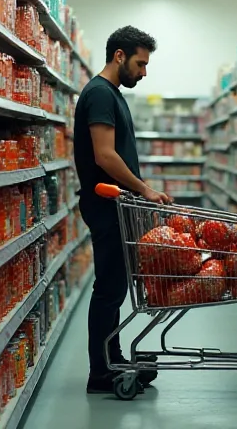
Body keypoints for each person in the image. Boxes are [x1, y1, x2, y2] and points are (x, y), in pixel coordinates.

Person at [73, 25, 172, 393]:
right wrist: (144, 189)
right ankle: (100, 372)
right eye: (140, 63)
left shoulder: (110, 93)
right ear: (119, 56)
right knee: (108, 290)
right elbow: (104, 155)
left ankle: (112, 360)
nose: (144, 73)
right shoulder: (100, 94)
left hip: (115, 204)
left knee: (114, 289)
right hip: (105, 204)